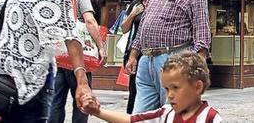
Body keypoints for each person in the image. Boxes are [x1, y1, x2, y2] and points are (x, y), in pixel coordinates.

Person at [126, 0, 211, 113]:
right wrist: (134, 54)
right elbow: (143, 24)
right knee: (140, 116)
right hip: (146, 62)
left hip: (173, 60)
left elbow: (201, 31)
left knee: (173, 114)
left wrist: (199, 67)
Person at [86, 51, 222, 122]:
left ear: (197, 87)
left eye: (176, 88)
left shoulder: (210, 118)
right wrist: (97, 112)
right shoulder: (166, 113)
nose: (170, 95)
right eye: (167, 89)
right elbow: (132, 120)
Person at [49, 0, 107, 123]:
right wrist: (101, 47)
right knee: (82, 100)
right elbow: (89, 21)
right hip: (78, 57)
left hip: (58, 56)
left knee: (56, 101)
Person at [121, 0, 160, 113]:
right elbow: (124, 28)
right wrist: (133, 14)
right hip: (134, 52)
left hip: (153, 51)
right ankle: (133, 115)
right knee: (134, 88)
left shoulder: (159, 3)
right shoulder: (136, 4)